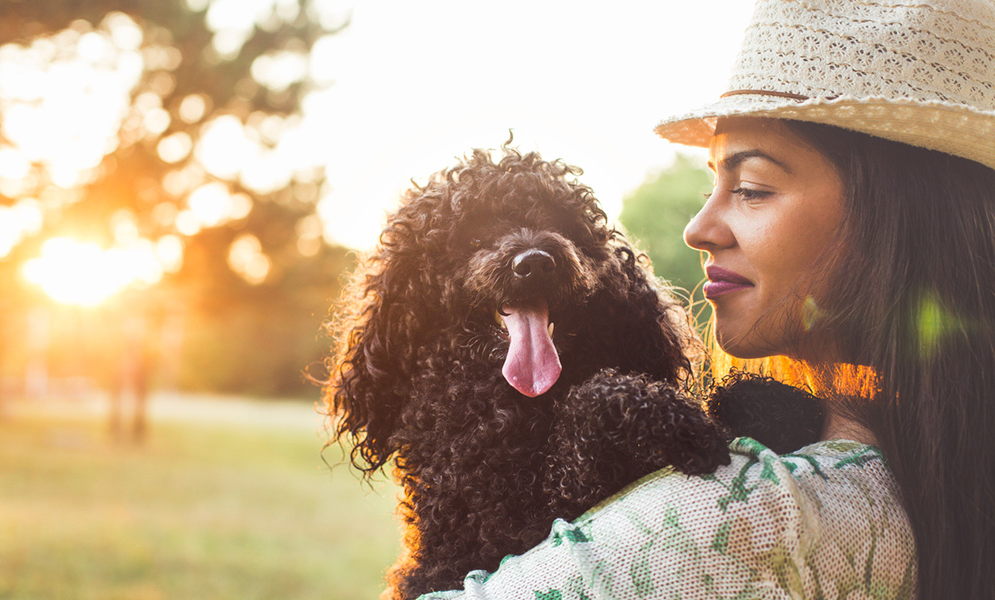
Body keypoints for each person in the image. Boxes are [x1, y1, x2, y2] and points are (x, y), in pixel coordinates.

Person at [419, 0, 995, 598]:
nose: (696, 228)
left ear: (896, 223)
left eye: (751, 188)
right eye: (711, 183)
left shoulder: (738, 517)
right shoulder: (943, 455)